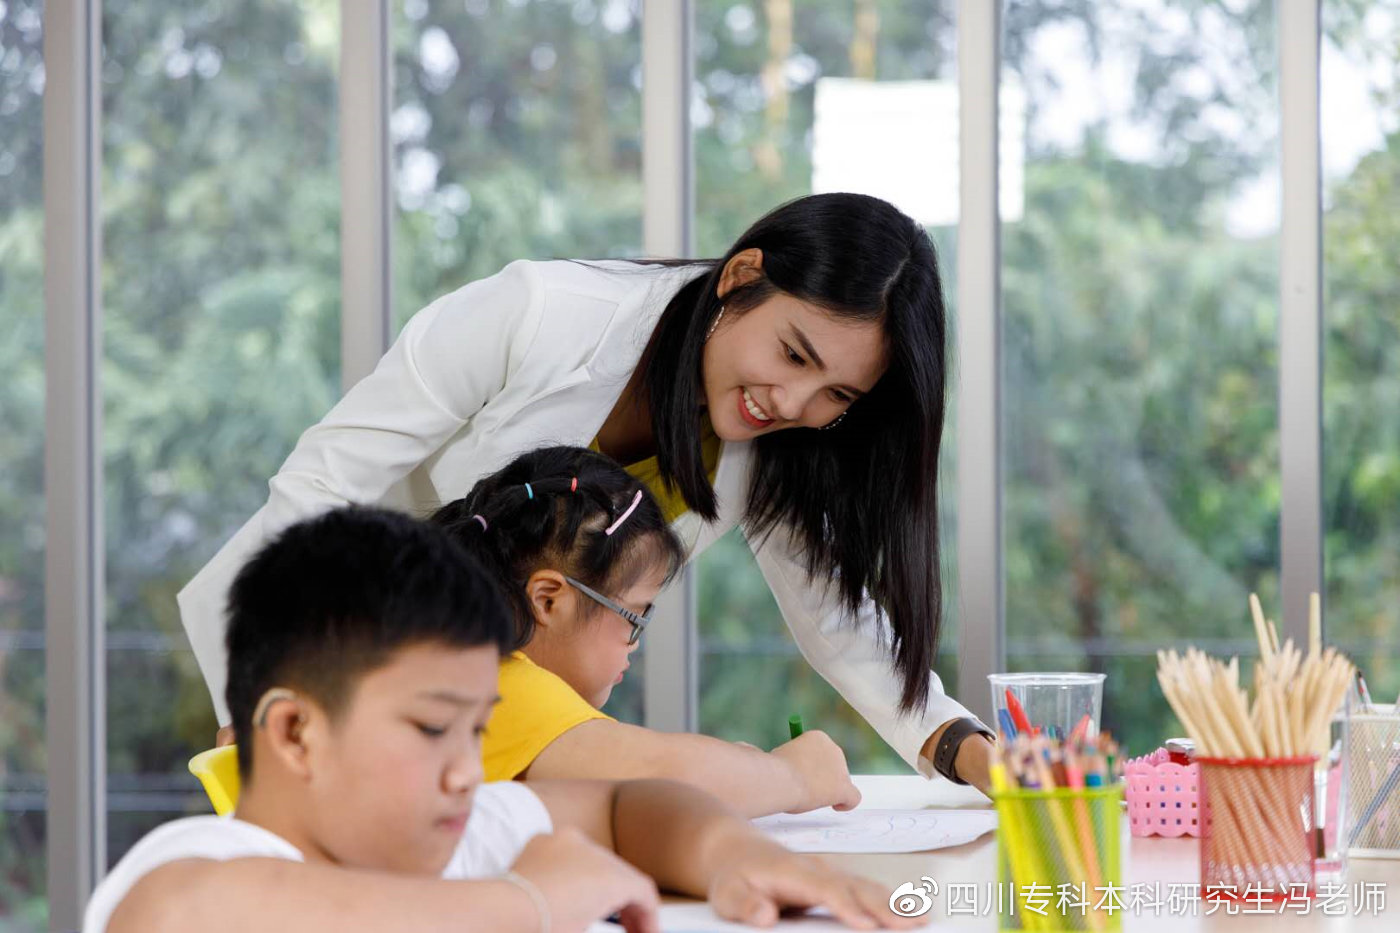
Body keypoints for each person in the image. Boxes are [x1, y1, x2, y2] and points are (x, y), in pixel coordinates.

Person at [178, 192, 995, 792]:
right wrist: (252, 700)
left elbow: (839, 623)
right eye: (793, 353)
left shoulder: (775, 449)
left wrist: (961, 744)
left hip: (497, 716)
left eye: (836, 399)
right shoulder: (537, 315)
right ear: (742, 275)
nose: (792, 403)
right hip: (331, 658)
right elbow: (322, 486)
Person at [88, 507, 923, 933]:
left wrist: (735, 852)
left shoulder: (459, 829)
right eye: (428, 728)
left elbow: (632, 806)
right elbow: (192, 911)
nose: (466, 767)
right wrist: (530, 897)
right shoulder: (201, 863)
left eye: (476, 729)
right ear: (296, 732)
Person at [432, 445, 861, 817]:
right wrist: (794, 776)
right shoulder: (497, 684)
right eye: (635, 617)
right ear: (548, 600)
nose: (635, 643)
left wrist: (741, 773)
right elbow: (666, 779)